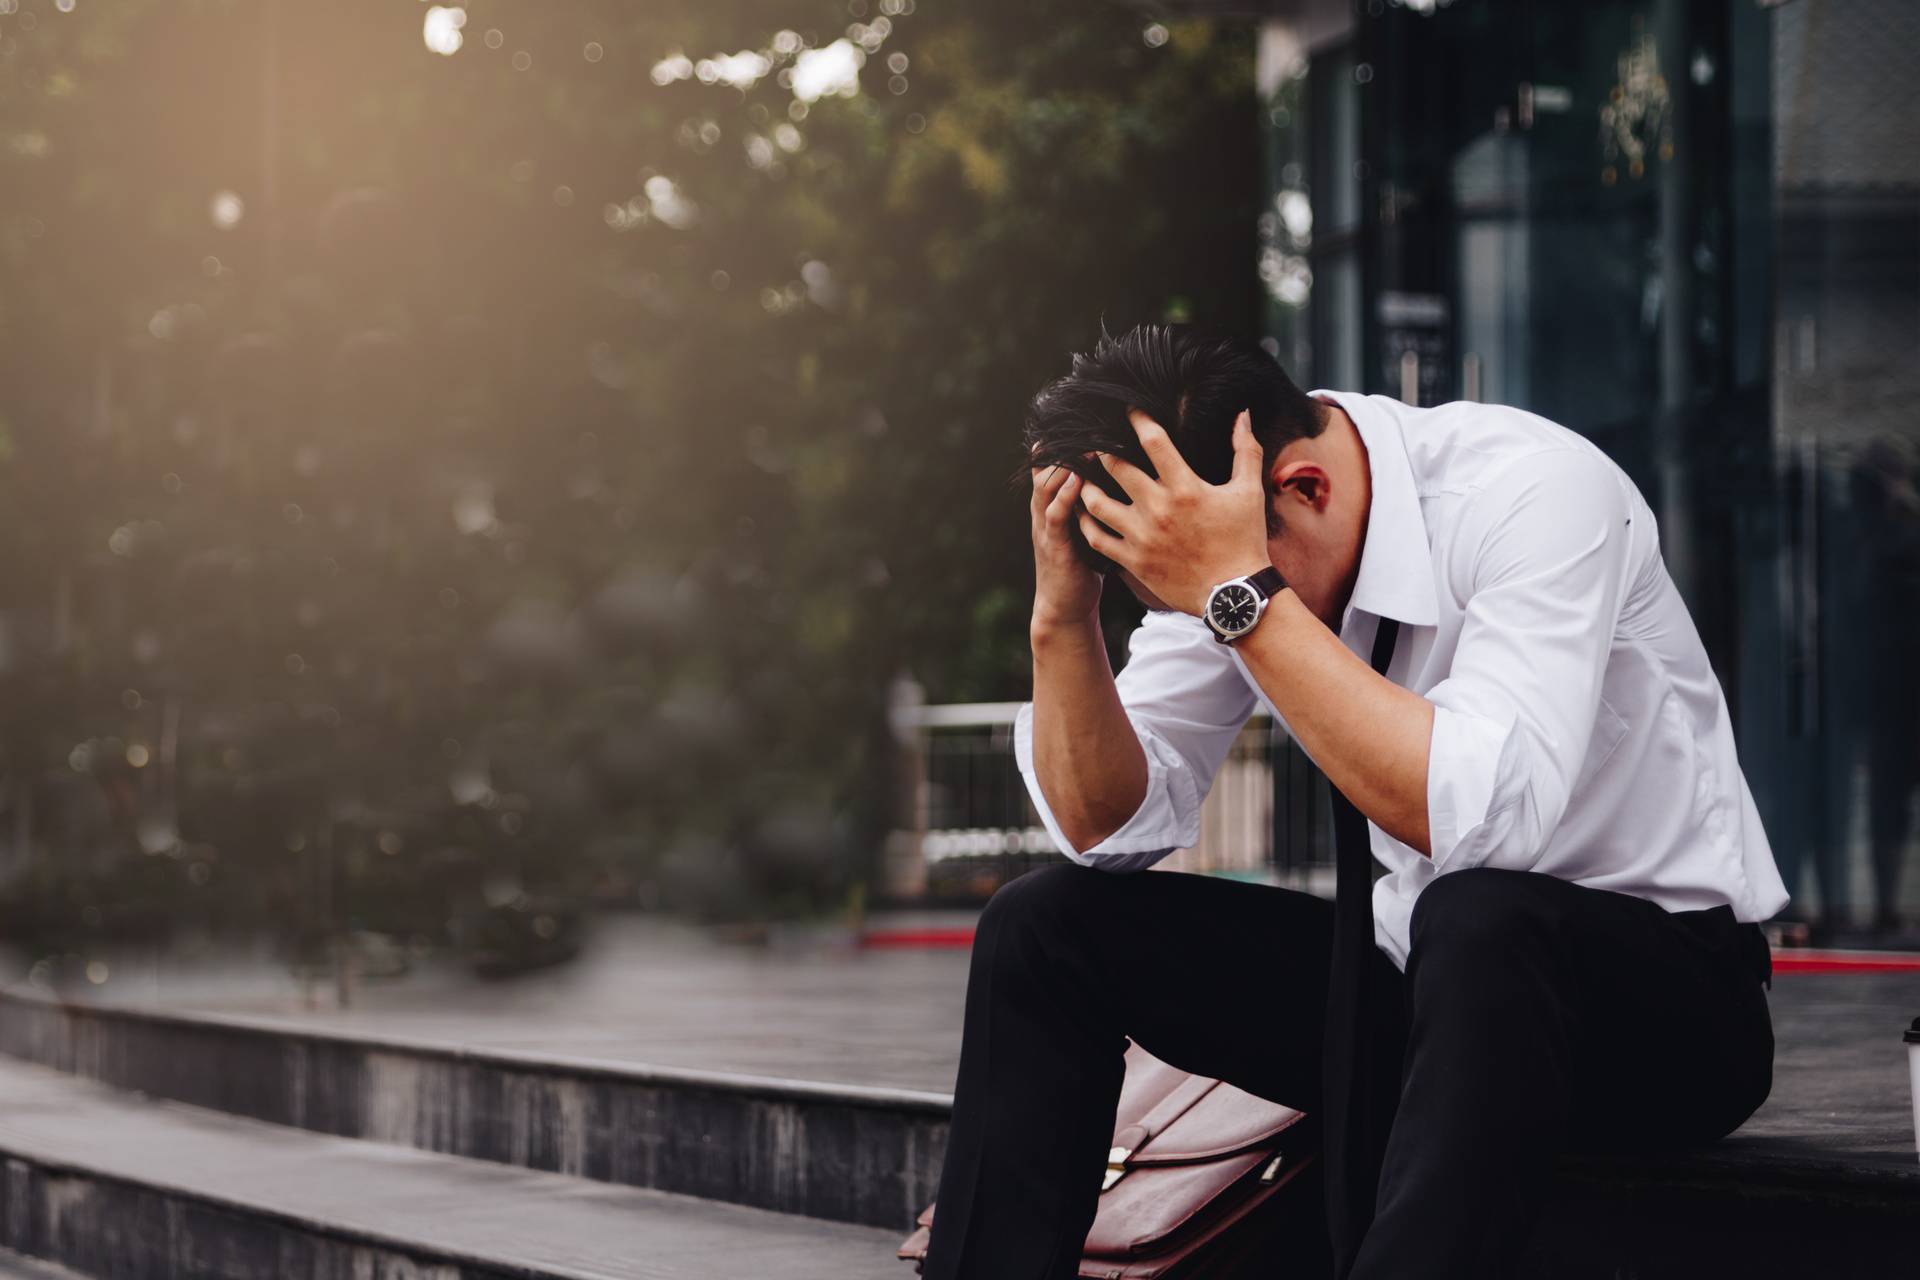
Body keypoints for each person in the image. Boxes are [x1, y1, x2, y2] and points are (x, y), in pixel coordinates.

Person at [920, 325, 1785, 1280]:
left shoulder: (1534, 493)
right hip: (1424, 1003)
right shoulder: (1233, 533)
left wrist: (1238, 595)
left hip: (1665, 1015)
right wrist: (1065, 616)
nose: (1195, 614)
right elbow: (1107, 826)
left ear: (1306, 489)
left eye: (1197, 590)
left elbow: (1485, 817)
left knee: (1480, 912)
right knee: (1043, 927)